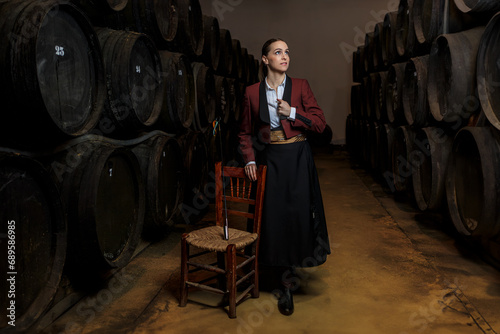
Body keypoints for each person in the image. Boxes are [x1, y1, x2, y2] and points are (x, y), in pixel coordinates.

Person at [238, 38, 331, 316]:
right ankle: (275, 271)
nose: (285, 56)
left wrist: (291, 111)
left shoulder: (300, 86)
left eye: (287, 52)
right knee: (273, 217)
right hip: (270, 160)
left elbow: (320, 123)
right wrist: (250, 158)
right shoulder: (252, 92)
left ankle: (287, 284)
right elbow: (244, 133)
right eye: (278, 52)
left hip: (298, 158)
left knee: (297, 216)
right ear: (265, 59)